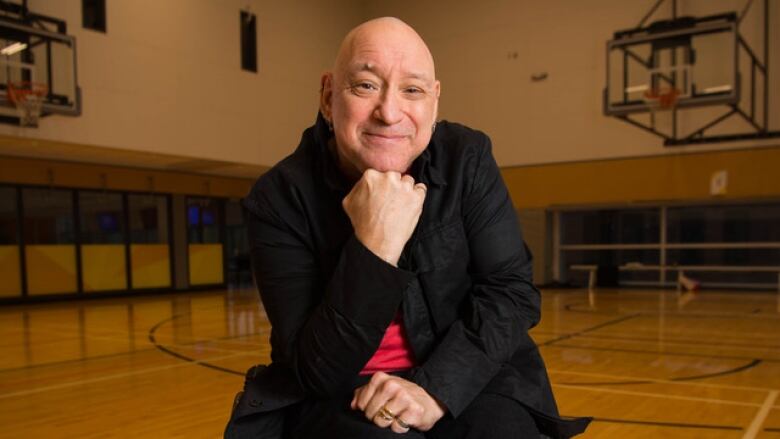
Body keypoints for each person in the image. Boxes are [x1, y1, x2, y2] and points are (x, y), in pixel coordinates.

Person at [226, 17, 590, 439]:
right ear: (328, 96)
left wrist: (434, 389)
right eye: (365, 86)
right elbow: (317, 371)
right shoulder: (279, 198)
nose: (389, 112)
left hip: (464, 372)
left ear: (434, 103)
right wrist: (373, 247)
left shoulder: (466, 159)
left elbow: (510, 291)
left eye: (412, 90)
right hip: (340, 391)